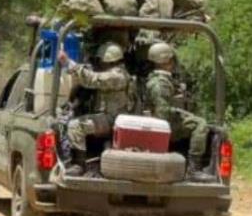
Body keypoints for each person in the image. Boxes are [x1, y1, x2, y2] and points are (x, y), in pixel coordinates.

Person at [57, 42, 132, 175]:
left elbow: (93, 79)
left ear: (108, 60)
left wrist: (68, 62)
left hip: (113, 119)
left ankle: (78, 165)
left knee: (76, 126)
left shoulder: (117, 76)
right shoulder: (119, 73)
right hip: (112, 117)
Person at [144, 42, 214, 181]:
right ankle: (194, 170)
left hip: (162, 124)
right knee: (201, 125)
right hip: (163, 126)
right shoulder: (160, 83)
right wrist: (183, 113)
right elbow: (162, 113)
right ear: (167, 60)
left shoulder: (161, 79)